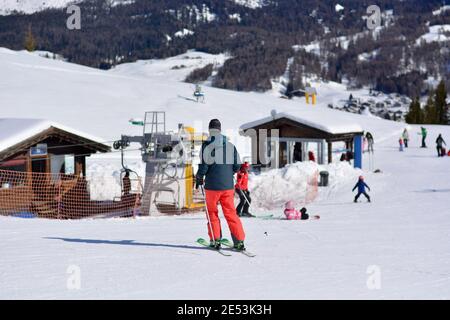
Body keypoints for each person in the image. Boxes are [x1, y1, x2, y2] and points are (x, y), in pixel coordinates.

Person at [196, 119, 246, 251]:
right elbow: (237, 166)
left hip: (212, 187)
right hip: (227, 187)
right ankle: (239, 241)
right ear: (220, 129)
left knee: (212, 213)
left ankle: (216, 240)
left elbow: (204, 165)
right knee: (230, 213)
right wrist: (229, 171)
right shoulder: (230, 146)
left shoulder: (207, 146)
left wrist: (199, 177)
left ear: (210, 130)